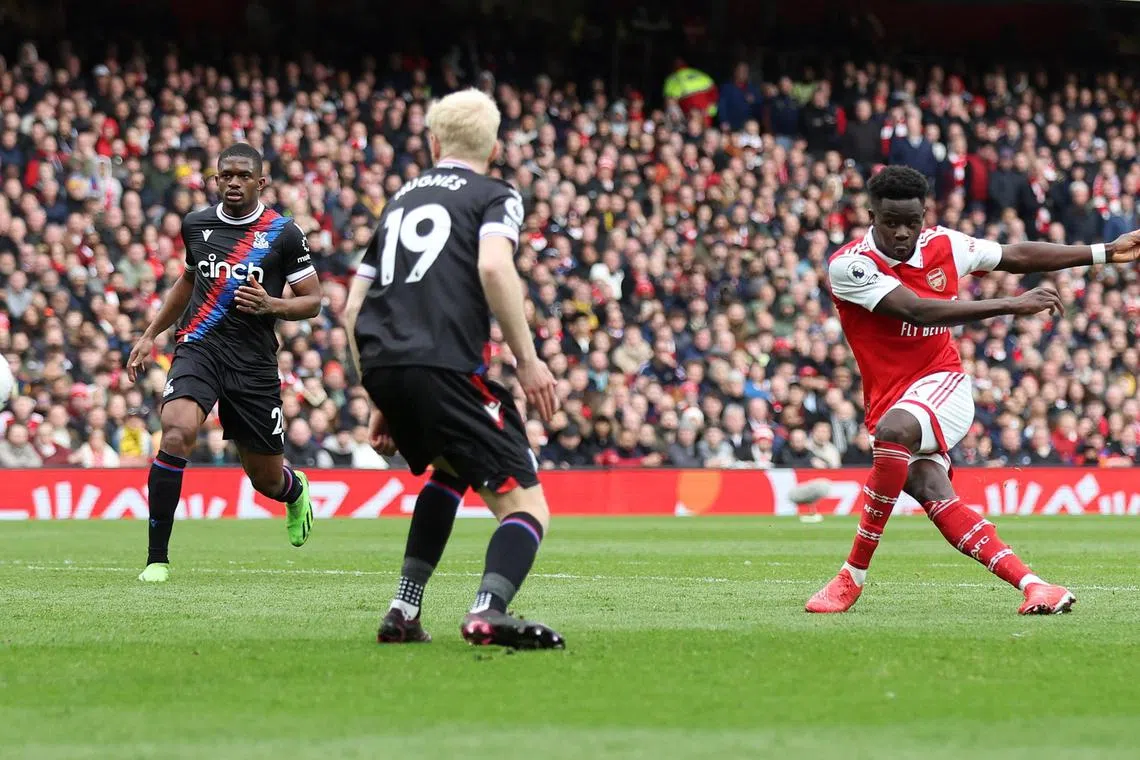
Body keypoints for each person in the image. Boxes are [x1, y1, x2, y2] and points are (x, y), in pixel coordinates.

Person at [807, 165, 1140, 615]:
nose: (903, 233)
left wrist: (1104, 251)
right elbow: (919, 310)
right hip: (889, 399)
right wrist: (1011, 304)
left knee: (894, 431)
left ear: (924, 215)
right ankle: (1036, 585)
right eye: (891, 223)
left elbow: (1014, 255)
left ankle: (852, 575)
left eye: (913, 221)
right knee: (930, 490)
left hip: (942, 385)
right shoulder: (850, 265)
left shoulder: (944, 243)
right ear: (871, 216)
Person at [345, 89, 564, 650]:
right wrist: (530, 362)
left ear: (434, 142)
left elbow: (352, 306)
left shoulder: (399, 200)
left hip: (385, 364)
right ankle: (489, 611)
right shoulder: (495, 194)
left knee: (449, 470)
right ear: (492, 147)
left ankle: (403, 608)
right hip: (444, 366)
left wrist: (378, 397)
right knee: (527, 504)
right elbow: (494, 266)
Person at [126, 143, 322, 584]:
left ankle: (295, 490)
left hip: (253, 364)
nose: (233, 183)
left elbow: (313, 302)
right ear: (216, 180)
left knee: (266, 481)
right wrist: (150, 333)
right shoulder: (196, 224)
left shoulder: (284, 233)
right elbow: (188, 279)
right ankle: (157, 559)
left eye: (242, 176)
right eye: (225, 176)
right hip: (200, 346)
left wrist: (271, 304)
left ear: (260, 182)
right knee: (176, 431)